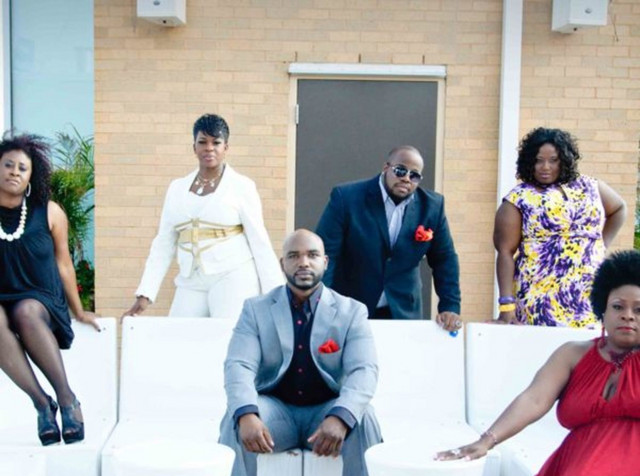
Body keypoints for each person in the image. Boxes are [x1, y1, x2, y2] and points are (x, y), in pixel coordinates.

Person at [437, 250, 640, 476]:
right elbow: (534, 399)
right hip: (582, 457)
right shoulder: (573, 353)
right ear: (602, 310)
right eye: (618, 306)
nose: (628, 316)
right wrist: (486, 441)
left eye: (639, 309)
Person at [219, 229, 382, 476]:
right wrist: (247, 413)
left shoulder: (351, 311)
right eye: (294, 256)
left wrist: (341, 417)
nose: (303, 262)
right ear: (283, 264)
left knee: (364, 417)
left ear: (325, 262)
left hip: (326, 414)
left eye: (311, 255)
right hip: (275, 414)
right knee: (234, 417)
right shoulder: (256, 309)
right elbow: (239, 365)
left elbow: (364, 370)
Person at [123, 114, 282, 319]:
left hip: (232, 274)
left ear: (226, 147)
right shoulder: (177, 188)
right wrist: (145, 294)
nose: (209, 148)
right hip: (191, 279)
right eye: (202, 142)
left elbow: (259, 241)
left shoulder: (242, 186)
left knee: (227, 334)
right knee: (179, 332)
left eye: (216, 142)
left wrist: (276, 295)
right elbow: (164, 242)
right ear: (194, 147)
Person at [0, 133, 100, 446]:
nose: (14, 172)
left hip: (41, 297)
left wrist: (78, 310)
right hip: (3, 297)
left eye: (22, 168)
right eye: (8, 165)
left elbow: (64, 263)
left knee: (26, 311)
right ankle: (42, 404)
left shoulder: (49, 211)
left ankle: (67, 399)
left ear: (32, 175)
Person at [316, 145, 462, 331]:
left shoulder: (432, 207)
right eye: (400, 170)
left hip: (403, 311)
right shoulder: (346, 198)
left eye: (414, 175)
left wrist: (450, 306)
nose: (406, 178)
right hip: (351, 307)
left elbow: (444, 259)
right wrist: (322, 304)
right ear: (386, 167)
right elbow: (325, 254)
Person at [494, 127, 627, 327]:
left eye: (553, 160)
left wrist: (601, 244)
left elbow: (618, 209)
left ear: (564, 160)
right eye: (538, 160)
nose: (545, 167)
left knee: (589, 345)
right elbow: (505, 252)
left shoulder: (590, 186)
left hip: (587, 294)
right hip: (539, 297)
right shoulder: (519, 197)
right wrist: (506, 307)